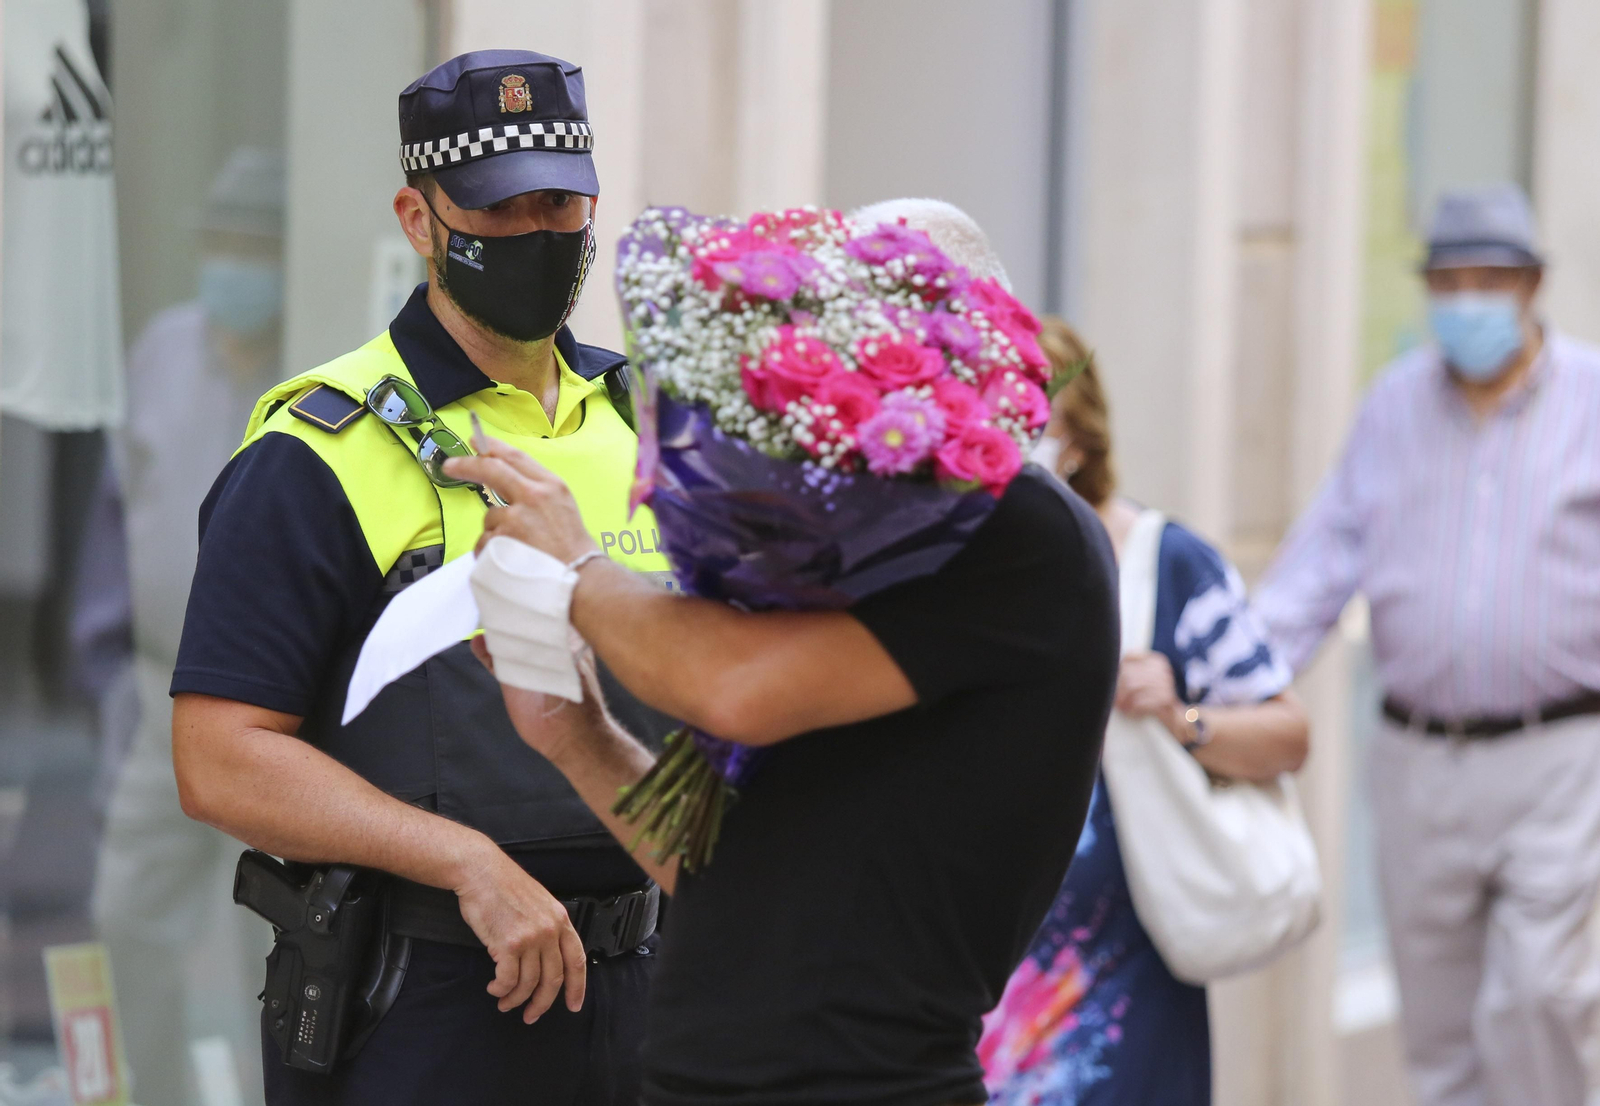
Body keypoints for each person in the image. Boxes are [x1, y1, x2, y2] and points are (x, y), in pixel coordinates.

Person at [443, 214, 1122, 1106]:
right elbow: (728, 876)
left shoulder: (1021, 533)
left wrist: (577, 566)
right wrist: (572, 731)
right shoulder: (852, 550)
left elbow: (734, 687)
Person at [170, 51, 671, 1106]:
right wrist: (463, 859)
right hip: (430, 991)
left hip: (654, 990)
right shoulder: (316, 450)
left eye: (559, 202)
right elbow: (221, 759)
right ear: (417, 216)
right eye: (497, 211)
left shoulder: (651, 424)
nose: (537, 233)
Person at [1254, 184, 1600, 1106]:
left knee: (1541, 996)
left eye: (1488, 279)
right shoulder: (1394, 407)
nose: (1467, 300)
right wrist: (1228, 680)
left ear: (1531, 286)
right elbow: (1320, 565)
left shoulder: (1595, 401)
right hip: (1416, 760)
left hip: (1559, 755)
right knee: (1440, 1032)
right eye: (1449, 281)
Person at [974, 320, 1308, 1106]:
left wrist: (1182, 716)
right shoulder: (958, 569)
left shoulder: (1169, 564)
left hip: (1128, 965)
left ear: (1079, 443)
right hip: (988, 964)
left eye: (1031, 425)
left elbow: (1289, 735)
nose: (1007, 445)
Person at [79, 146, 286, 1106]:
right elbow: (117, 525)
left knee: (282, 944)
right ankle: (155, 1094)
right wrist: (107, 671)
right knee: (126, 916)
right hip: (162, 691)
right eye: (221, 242)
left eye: (255, 245)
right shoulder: (162, 348)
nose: (234, 263)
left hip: (286, 712)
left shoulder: (318, 370)